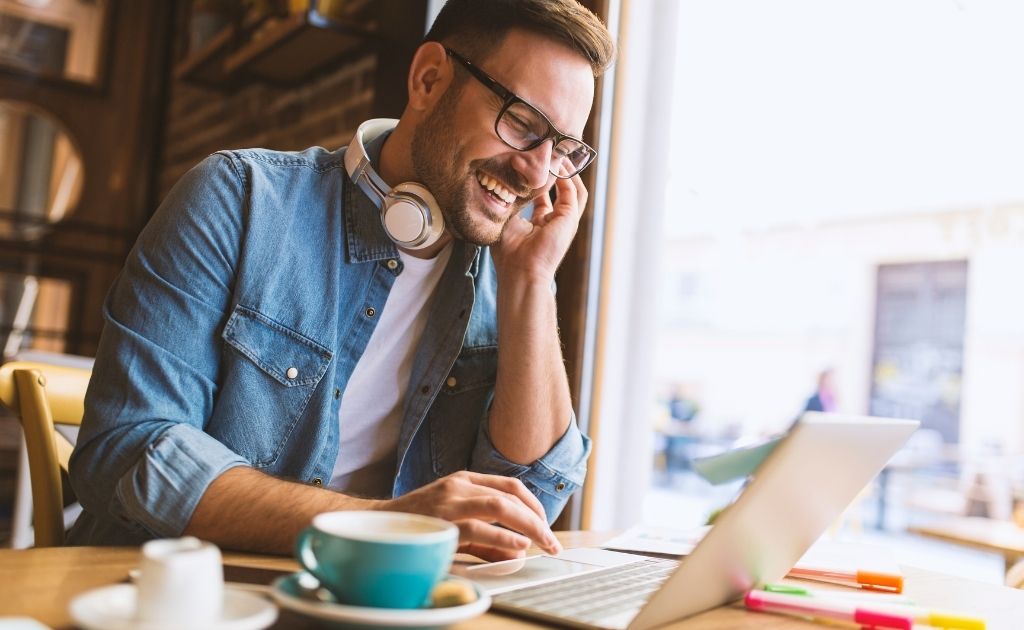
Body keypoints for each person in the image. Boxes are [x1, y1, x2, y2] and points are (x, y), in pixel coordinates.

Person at [67, 0, 615, 562]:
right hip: (173, 596)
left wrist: (531, 282)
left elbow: (532, 503)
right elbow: (129, 451)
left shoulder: (508, 274)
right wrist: (382, 523)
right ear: (429, 80)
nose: (536, 171)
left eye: (564, 150)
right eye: (522, 123)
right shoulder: (239, 200)